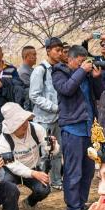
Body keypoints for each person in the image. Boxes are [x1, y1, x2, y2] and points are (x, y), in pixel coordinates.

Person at [53, 44, 104, 210]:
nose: (84, 64)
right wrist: (82, 71)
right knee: (73, 170)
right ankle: (73, 207)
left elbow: (99, 94)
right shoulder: (59, 72)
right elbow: (66, 89)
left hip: (89, 128)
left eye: (85, 61)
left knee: (88, 170)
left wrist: (96, 78)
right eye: (81, 61)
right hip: (72, 128)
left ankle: (82, 203)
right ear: (70, 59)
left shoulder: (86, 74)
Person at [0, 102, 54, 210]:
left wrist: (52, 146)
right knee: (5, 184)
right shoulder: (2, 142)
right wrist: (33, 173)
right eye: (19, 123)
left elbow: (50, 150)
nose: (24, 125)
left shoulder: (36, 129)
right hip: (11, 171)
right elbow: (13, 165)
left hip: (33, 167)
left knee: (44, 189)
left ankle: (29, 203)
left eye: (25, 120)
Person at [29, 37, 64, 190]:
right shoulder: (40, 70)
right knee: (44, 152)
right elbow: (34, 95)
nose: (60, 53)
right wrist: (54, 107)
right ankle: (42, 183)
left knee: (57, 151)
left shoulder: (59, 69)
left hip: (58, 119)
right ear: (48, 51)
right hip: (43, 119)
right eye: (57, 50)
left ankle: (56, 181)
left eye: (61, 50)